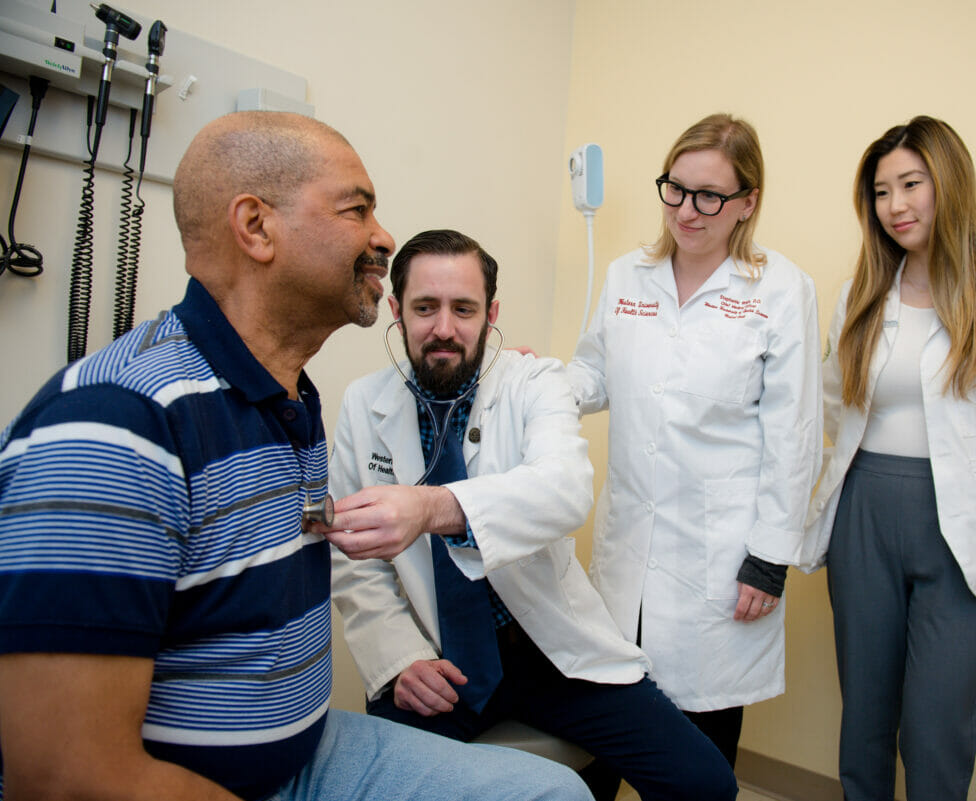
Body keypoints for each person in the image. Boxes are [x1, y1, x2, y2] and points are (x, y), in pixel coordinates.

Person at [0, 112, 591, 801]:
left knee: (557, 794)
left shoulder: (290, 402)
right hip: (195, 780)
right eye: (357, 209)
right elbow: (66, 776)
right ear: (256, 227)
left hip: (306, 746)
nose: (384, 236)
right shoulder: (113, 427)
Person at [321, 229, 738, 801]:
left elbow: (565, 489)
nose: (444, 328)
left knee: (706, 784)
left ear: (491, 314)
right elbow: (354, 560)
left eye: (463, 308)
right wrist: (399, 660)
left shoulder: (534, 382)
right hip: (436, 658)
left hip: (547, 648)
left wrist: (433, 507)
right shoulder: (363, 405)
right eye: (425, 308)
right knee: (385, 789)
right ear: (397, 311)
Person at [802, 115, 976, 800]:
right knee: (865, 717)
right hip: (865, 514)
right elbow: (837, 408)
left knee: (937, 726)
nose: (896, 205)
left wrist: (967, 483)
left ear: (948, 181)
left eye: (911, 183)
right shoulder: (860, 298)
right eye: (882, 191)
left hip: (963, 525)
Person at [565, 113, 823, 765]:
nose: (687, 210)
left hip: (722, 554)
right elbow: (593, 372)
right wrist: (528, 384)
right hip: (631, 545)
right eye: (675, 189)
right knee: (611, 719)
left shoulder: (782, 290)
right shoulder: (628, 275)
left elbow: (794, 434)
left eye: (709, 195)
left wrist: (769, 557)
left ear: (748, 202)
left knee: (700, 747)